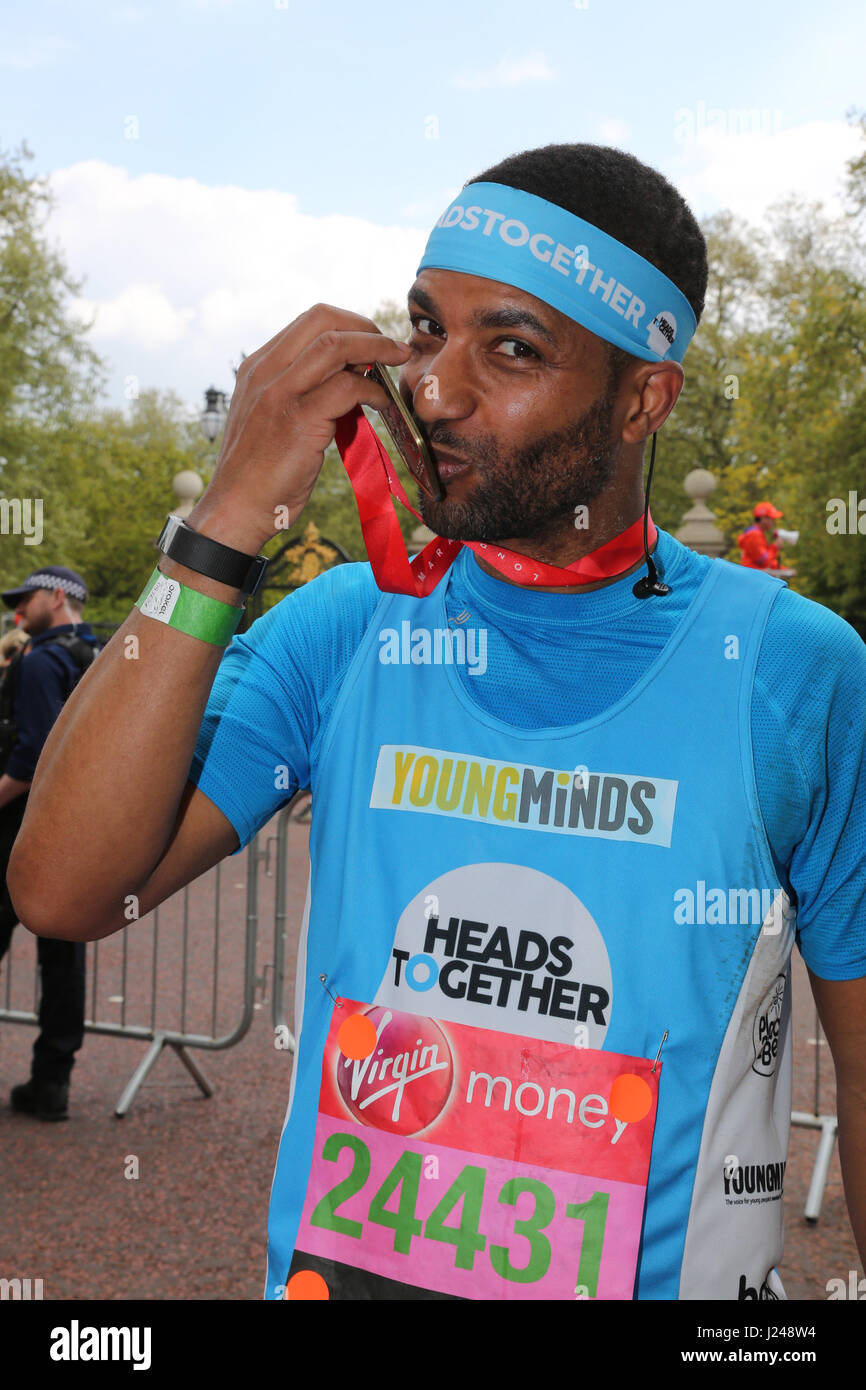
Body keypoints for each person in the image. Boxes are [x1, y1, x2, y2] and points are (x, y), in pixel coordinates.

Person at [8, 144, 866, 1300]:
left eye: (509, 348)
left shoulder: (791, 670)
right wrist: (222, 516)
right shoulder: (348, 625)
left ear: (642, 397)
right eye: (423, 329)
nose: (432, 387)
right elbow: (65, 890)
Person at [0, 566, 101, 1120]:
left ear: (57, 597)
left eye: (28, 597)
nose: (21, 608)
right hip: (76, 829)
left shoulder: (40, 659)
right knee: (62, 956)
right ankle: (52, 1080)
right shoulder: (98, 655)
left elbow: (33, 752)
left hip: (19, 826)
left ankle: (49, 1081)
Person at [737, 501, 791, 574]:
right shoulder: (754, 535)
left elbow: (766, 561)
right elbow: (764, 561)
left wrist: (783, 569)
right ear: (763, 519)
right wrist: (775, 547)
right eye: (772, 519)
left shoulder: (757, 533)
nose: (774, 522)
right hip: (753, 579)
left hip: (754, 576)